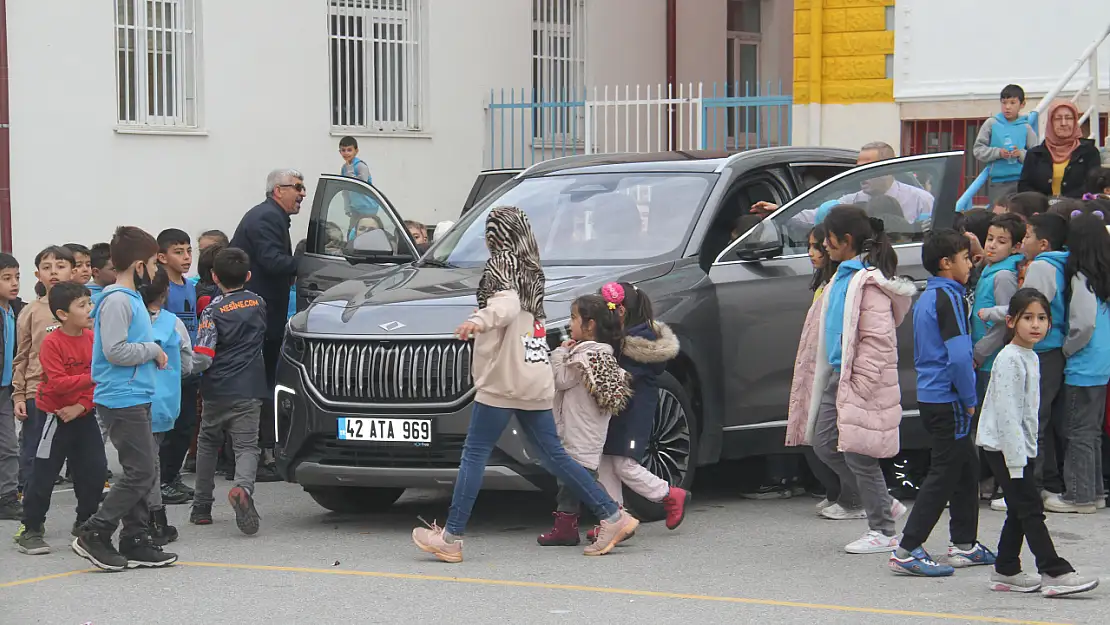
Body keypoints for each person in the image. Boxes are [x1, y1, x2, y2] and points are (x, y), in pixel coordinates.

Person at [411, 206, 638, 563]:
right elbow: (528, 314)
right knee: (555, 456)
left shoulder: (501, 264)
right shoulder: (533, 268)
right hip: (534, 372)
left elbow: (506, 305)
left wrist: (478, 319)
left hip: (505, 375)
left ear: (494, 236)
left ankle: (451, 537)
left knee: (474, 454)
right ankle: (612, 515)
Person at [785, 205, 916, 554]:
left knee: (859, 454)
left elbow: (878, 340)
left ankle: (883, 529)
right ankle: (883, 500)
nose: (823, 246)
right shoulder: (844, 276)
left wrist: (862, 381)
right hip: (837, 377)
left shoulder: (867, 283)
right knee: (824, 443)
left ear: (846, 240)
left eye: (827, 239)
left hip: (857, 380)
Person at [977, 289, 1099, 596]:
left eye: (1042, 318)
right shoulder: (1009, 359)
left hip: (1019, 448)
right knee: (1030, 508)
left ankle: (1005, 569)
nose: (1036, 324)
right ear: (1010, 322)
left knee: (1020, 508)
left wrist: (1028, 451)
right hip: (1005, 449)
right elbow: (1006, 415)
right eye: (1028, 317)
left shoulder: (1029, 356)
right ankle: (1053, 570)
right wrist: (1017, 461)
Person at [72, 226, 176, 571]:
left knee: (142, 470)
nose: (155, 269)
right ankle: (95, 532)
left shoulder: (129, 300)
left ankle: (135, 539)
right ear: (138, 265)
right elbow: (114, 351)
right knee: (141, 470)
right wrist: (152, 349)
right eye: (151, 261)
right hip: (121, 397)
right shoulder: (118, 300)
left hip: (135, 394)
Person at [890, 229, 994, 576]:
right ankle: (907, 548)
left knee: (966, 467)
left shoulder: (934, 294)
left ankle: (964, 544)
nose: (969, 263)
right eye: (965, 258)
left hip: (933, 393)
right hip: (948, 396)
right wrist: (969, 398)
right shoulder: (947, 297)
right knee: (944, 472)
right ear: (946, 263)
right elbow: (960, 356)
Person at [981, 213, 1070, 498]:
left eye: (1028, 236)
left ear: (1043, 243)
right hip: (1049, 349)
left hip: (1044, 351)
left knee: (1034, 418)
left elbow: (1026, 305)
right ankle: (1043, 483)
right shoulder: (1056, 262)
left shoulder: (1042, 266)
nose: (1024, 242)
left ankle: (1034, 485)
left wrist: (991, 313)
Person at [589, 283, 689, 537]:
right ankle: (614, 518)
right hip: (617, 413)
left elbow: (622, 378)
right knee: (606, 463)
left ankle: (670, 494)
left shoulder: (637, 345)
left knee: (623, 464)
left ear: (619, 311)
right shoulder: (618, 340)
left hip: (633, 414)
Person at [14, 282, 106, 555]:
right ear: (63, 314)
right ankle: (30, 528)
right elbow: (57, 383)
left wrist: (81, 406)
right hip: (52, 417)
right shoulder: (52, 342)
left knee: (95, 471)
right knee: (43, 474)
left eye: (90, 302)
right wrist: (93, 378)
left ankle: (85, 523)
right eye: (83, 305)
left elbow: (98, 384)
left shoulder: (93, 339)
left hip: (82, 414)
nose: (90, 308)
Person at [538, 294, 633, 546]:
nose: (570, 324)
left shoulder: (583, 357)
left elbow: (559, 379)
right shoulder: (603, 356)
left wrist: (559, 352)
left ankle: (616, 517)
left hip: (577, 431)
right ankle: (566, 527)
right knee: (571, 482)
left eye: (573, 318)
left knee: (580, 480)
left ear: (590, 325)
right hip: (591, 431)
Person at [189, 247, 268, 536]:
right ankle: (242, 487)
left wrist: (185, 366)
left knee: (209, 442)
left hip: (216, 389)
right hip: (249, 387)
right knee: (246, 446)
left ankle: (201, 507)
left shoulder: (211, 309)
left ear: (213, 276)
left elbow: (205, 354)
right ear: (248, 275)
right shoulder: (258, 303)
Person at [230, 169, 303, 483]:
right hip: (255, 320)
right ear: (278, 189)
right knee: (256, 386)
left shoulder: (271, 216)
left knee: (266, 383)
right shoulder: (265, 217)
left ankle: (261, 451)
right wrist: (312, 262)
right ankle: (253, 454)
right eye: (297, 187)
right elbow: (272, 261)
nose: (302, 194)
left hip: (264, 317)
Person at [1046, 211, 1110, 514]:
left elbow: (1083, 324)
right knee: (1091, 431)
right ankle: (1094, 491)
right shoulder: (1104, 277)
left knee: (1077, 432)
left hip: (1082, 366)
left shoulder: (1082, 278)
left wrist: (1067, 348)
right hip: (1101, 365)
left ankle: (1078, 496)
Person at [972, 214, 1026, 511]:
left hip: (990, 359)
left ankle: (1001, 483)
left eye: (1001, 241)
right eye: (990, 238)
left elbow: (1006, 321)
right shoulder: (992, 268)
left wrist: (979, 351)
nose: (992, 245)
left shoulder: (1004, 276)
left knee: (993, 421)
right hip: (983, 358)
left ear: (1016, 246)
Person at [12, 246, 72, 503]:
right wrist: (18, 395)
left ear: (73, 270)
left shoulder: (83, 309)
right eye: (47, 268)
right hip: (39, 390)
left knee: (78, 448)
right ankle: (28, 495)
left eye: (60, 266)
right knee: (34, 447)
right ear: (38, 274)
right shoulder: (31, 312)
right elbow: (22, 355)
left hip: (75, 392)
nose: (54, 272)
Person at [752, 142, 935, 225]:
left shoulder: (921, 199)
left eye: (868, 168)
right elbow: (812, 217)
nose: (861, 175)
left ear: (887, 168)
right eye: (858, 169)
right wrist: (781, 211)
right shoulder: (851, 201)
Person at [141, 267, 193, 546]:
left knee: (140, 461)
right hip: (164, 401)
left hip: (133, 398)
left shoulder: (131, 322)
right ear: (165, 293)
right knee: (152, 461)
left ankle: (147, 514)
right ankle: (153, 516)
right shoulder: (173, 323)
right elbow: (187, 363)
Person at [154, 229, 200, 506]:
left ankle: (172, 477)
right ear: (162, 257)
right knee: (167, 428)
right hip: (167, 370)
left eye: (188, 251)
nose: (186, 257)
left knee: (185, 426)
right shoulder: (160, 289)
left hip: (189, 367)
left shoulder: (190, 286)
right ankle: (160, 479)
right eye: (178, 251)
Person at [1019, 100, 1102, 199]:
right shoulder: (1035, 154)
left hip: (1079, 209)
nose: (1063, 123)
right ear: (1050, 122)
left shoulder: (1089, 152)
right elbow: (1024, 187)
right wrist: (1046, 202)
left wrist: (1063, 202)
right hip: (1042, 210)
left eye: (1068, 118)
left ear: (1075, 121)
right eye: (1058, 119)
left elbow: (1093, 185)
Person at [973, 84, 1039, 205]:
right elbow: (978, 149)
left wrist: (1020, 154)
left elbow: (1036, 155)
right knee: (999, 215)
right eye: (1004, 103)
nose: (1007, 107)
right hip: (998, 182)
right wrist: (998, 153)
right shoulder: (991, 123)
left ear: (1022, 104)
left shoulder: (1026, 127)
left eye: (1012, 103)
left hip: (1021, 181)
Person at [0, 253, 24, 520]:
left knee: (8, 447)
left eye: (16, 277)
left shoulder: (15, 310)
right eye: (6, 278)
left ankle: (7, 498)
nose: (14, 283)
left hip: (6, 389)